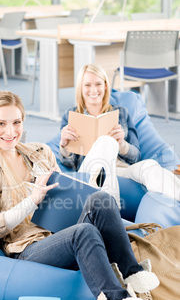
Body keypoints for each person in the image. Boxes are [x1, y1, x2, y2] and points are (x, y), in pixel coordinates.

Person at [0, 90, 172, 300]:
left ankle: (137, 286)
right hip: (29, 249)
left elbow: (68, 197)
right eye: (1, 124)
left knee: (101, 198)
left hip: (61, 230)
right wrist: (32, 201)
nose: (10, 131)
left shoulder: (39, 152)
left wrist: (79, 197)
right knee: (84, 233)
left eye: (16, 122)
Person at [59, 63, 180, 207]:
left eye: (98, 84)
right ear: (80, 88)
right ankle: (112, 209)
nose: (93, 90)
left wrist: (122, 144)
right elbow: (69, 165)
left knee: (149, 165)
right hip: (91, 172)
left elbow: (136, 156)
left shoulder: (121, 113)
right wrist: (63, 145)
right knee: (105, 141)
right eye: (87, 85)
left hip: (120, 169)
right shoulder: (71, 116)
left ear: (105, 86)